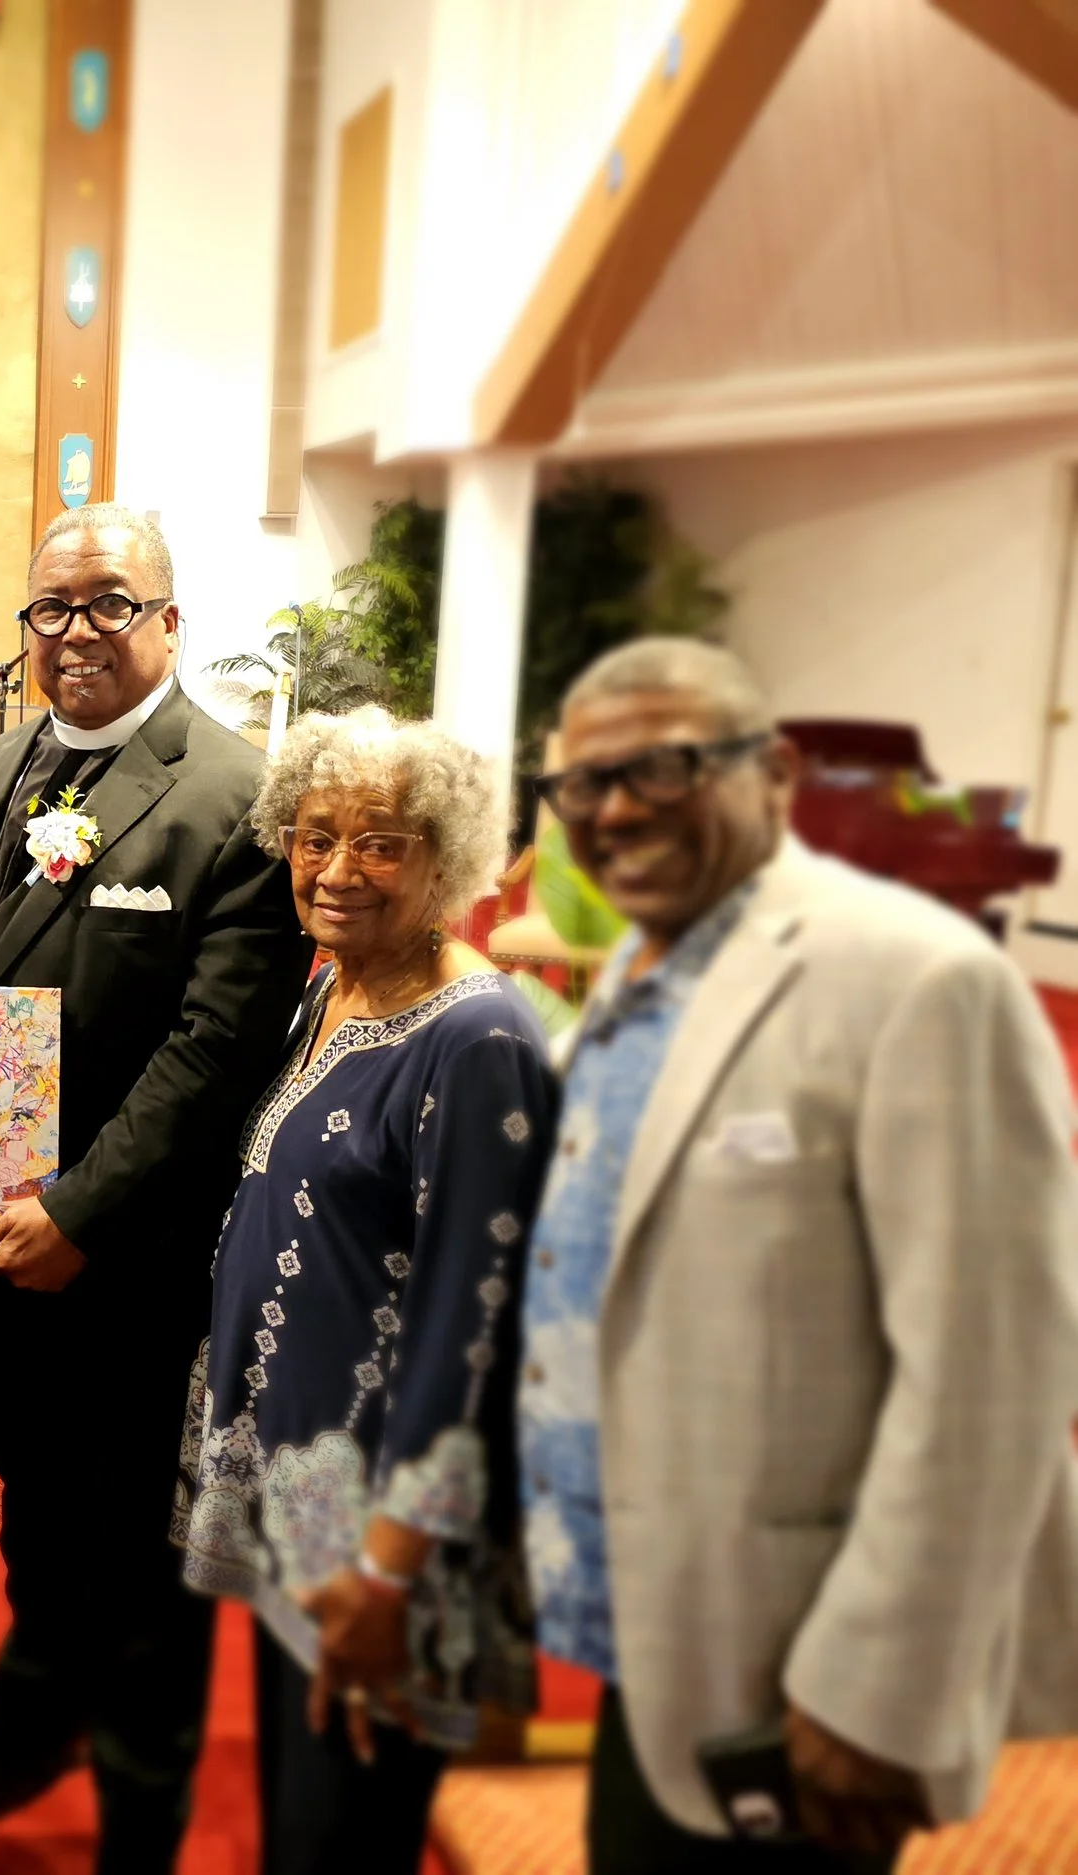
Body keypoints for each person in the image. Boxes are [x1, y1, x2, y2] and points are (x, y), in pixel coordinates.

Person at [518, 638, 1078, 1874]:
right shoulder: (636, 967)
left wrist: (876, 1688)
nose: (612, 811)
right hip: (657, 1629)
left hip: (799, 1664)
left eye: (661, 769)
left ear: (772, 774)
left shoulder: (919, 981)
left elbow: (993, 1383)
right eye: (581, 785)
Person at [0, 504, 312, 1872]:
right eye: (50, 608)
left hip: (123, 1259)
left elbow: (216, 1046)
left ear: (169, 621)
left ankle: (140, 1813)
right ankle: (28, 1728)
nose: (74, 631)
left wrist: (81, 1211)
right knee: (31, 1508)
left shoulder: (230, 793)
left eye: (108, 604)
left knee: (137, 1551)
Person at [174, 708, 556, 1874]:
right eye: (314, 833)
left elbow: (472, 1324)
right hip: (304, 1504)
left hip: (383, 1534)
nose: (337, 869)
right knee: (302, 1818)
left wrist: (390, 1567)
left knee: (342, 1836)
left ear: (447, 858)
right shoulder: (332, 986)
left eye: (380, 842)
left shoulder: (478, 1035)